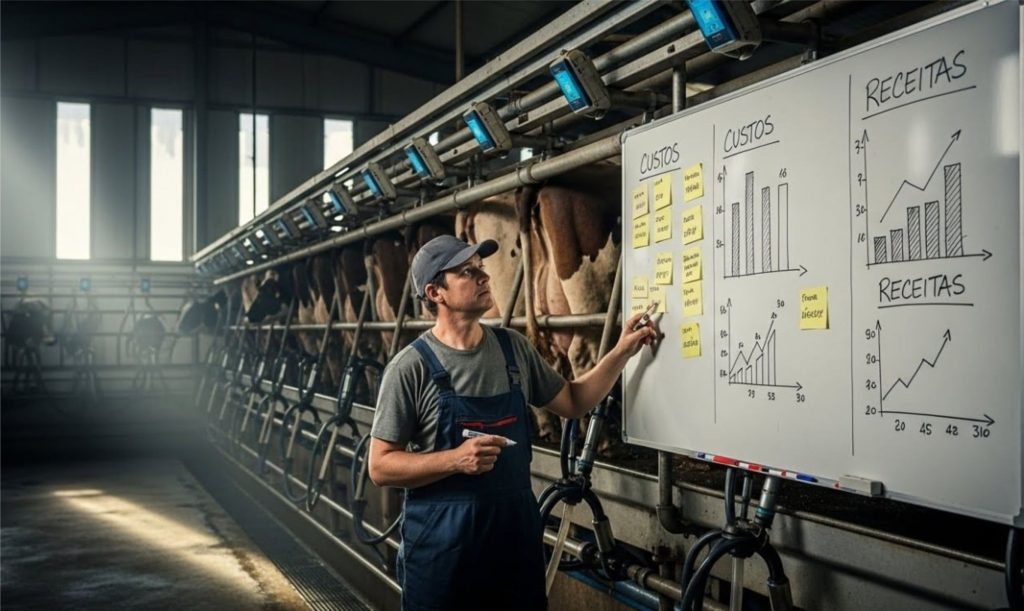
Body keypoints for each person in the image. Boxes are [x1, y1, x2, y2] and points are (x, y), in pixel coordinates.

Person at [368, 234, 656, 611]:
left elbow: (572, 401)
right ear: (435, 292)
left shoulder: (512, 348)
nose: (484, 277)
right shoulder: (411, 368)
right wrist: (455, 460)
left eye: (482, 268)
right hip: (442, 550)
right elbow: (380, 465)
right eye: (468, 272)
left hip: (513, 542)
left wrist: (621, 351)